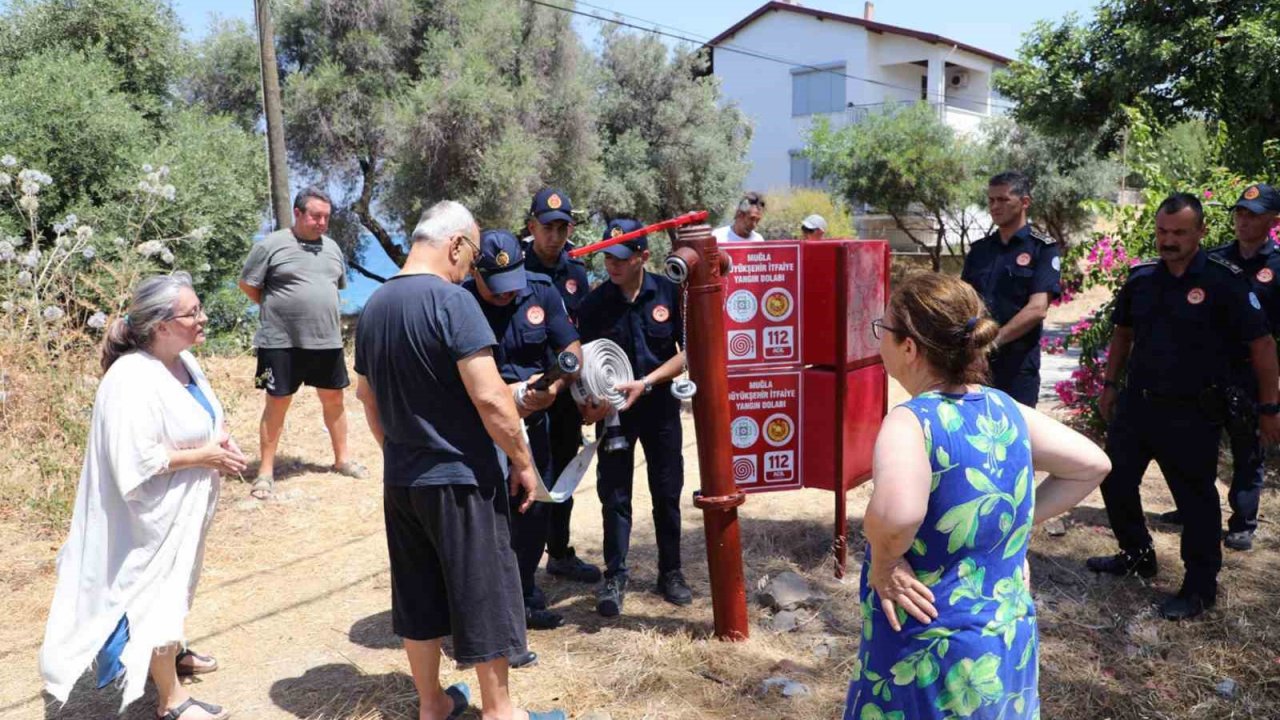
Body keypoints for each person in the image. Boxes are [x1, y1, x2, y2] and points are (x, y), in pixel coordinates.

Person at [845, 272, 1110, 719]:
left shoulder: (912, 421)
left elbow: (897, 513)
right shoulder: (1003, 408)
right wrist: (1011, 530)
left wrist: (886, 561)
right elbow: (1091, 465)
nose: (881, 339)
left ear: (909, 347)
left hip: (929, 646)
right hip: (1002, 641)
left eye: (884, 329)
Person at [354, 201, 565, 720]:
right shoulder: (453, 302)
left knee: (418, 595)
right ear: (454, 244)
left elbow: (366, 397)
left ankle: (433, 704)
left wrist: (397, 451)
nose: (470, 269)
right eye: (470, 256)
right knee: (485, 592)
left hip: (403, 479)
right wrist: (522, 462)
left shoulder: (375, 305)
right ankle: (501, 712)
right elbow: (492, 399)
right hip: (461, 480)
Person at [41, 272, 248, 720]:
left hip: (182, 510)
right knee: (154, 596)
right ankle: (170, 700)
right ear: (161, 325)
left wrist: (220, 441)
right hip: (148, 518)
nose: (203, 317)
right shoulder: (131, 378)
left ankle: (171, 653)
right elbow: (133, 460)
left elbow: (196, 420)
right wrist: (205, 455)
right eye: (192, 312)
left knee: (177, 587)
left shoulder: (185, 362)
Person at [1086, 193, 1280, 621]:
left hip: (1192, 412)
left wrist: (1270, 407)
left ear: (1201, 233)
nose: (1168, 240)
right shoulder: (1142, 279)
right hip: (1138, 405)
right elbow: (1122, 334)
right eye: (1162, 231)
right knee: (1114, 480)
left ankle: (1199, 586)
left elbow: (1263, 346)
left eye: (1178, 232)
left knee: (1195, 503)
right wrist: (1110, 384)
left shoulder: (1224, 281)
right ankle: (1137, 554)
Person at [465, 228, 582, 641]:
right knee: (488, 515)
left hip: (534, 424)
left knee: (535, 509)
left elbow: (571, 352)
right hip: (481, 427)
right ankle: (486, 603)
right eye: (495, 290)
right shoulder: (459, 300)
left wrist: (555, 387)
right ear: (475, 274)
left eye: (510, 287)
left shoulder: (541, 290)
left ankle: (525, 591)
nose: (505, 297)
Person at [577, 218, 691, 617]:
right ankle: (615, 575)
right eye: (608, 256)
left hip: (659, 407)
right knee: (615, 495)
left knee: (666, 491)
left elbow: (687, 352)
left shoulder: (670, 291)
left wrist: (648, 380)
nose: (613, 264)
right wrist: (590, 403)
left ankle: (671, 572)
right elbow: (585, 365)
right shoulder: (593, 304)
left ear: (643, 256)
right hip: (614, 414)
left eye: (622, 257)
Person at [1161, 184, 1280, 551]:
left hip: (1253, 372)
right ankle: (1193, 507)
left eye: (1254, 215)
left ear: (1273, 221)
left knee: (1247, 449)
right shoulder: (1213, 259)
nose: (1244, 221)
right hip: (1209, 370)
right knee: (1196, 443)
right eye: (1240, 213)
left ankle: (1243, 522)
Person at [239, 186, 365, 499]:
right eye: (315, 216)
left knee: (334, 400)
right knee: (277, 403)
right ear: (297, 213)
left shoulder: (333, 249)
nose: (322, 222)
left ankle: (342, 460)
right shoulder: (271, 245)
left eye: (326, 217)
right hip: (280, 341)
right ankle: (265, 473)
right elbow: (248, 285)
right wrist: (277, 311)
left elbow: (333, 288)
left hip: (327, 340)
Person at [520, 187, 601, 585]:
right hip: (529, 392)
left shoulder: (575, 274)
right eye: (548, 227)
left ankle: (560, 552)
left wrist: (586, 391)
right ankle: (524, 568)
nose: (555, 235)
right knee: (534, 475)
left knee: (565, 469)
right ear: (532, 226)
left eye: (562, 227)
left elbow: (582, 333)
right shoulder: (515, 270)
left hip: (568, 391)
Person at [961, 171, 1062, 407]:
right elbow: (964, 302)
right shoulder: (980, 250)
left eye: (1003, 200)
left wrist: (991, 343)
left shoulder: (1043, 249)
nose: (995, 206)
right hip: (975, 367)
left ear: (1024, 202)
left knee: (1015, 438)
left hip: (1017, 370)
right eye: (991, 200)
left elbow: (1037, 309)